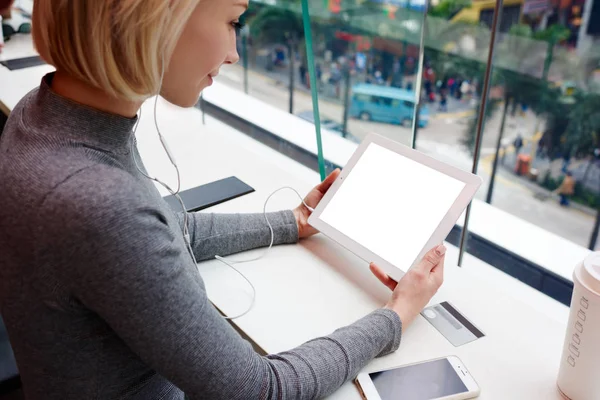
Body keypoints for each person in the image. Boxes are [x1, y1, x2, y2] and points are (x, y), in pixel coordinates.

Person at [0, 1, 445, 399]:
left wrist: (295, 220)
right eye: (233, 21)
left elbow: (165, 228)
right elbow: (262, 390)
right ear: (158, 18)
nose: (234, 53)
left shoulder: (44, 115)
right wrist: (398, 314)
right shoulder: (99, 203)